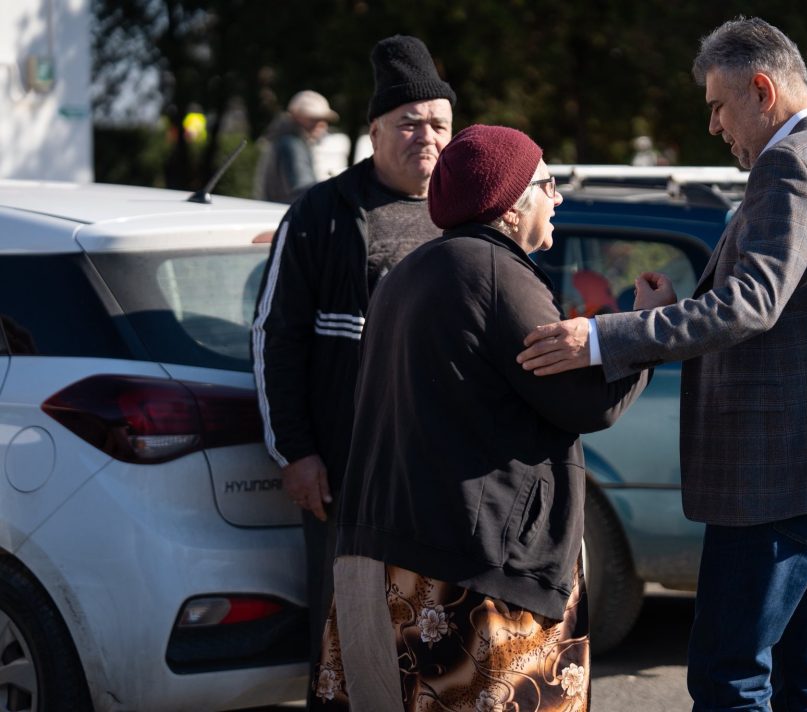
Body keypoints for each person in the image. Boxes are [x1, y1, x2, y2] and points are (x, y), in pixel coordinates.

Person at [516, 17, 807, 710]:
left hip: (781, 474)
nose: (713, 125)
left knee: (728, 676)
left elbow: (750, 304)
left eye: (717, 106)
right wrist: (672, 310)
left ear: (762, 90)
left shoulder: (793, 164)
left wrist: (604, 337)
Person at [325, 125, 649, 711]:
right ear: (510, 204)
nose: (558, 197)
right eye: (548, 183)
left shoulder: (409, 273)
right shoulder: (494, 272)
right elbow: (586, 400)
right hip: (468, 574)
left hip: (387, 555)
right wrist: (645, 332)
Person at [250, 35, 456, 710]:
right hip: (347, 476)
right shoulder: (321, 214)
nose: (427, 137)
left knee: (434, 643)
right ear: (374, 132)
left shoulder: (465, 215)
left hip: (442, 477)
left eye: (439, 124)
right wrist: (296, 451)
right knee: (346, 641)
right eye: (410, 123)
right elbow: (275, 337)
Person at [254, 90, 339, 203]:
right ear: (296, 117)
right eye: (313, 119)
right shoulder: (291, 144)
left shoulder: (284, 139)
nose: (321, 125)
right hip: (283, 210)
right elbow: (304, 190)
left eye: (324, 120)